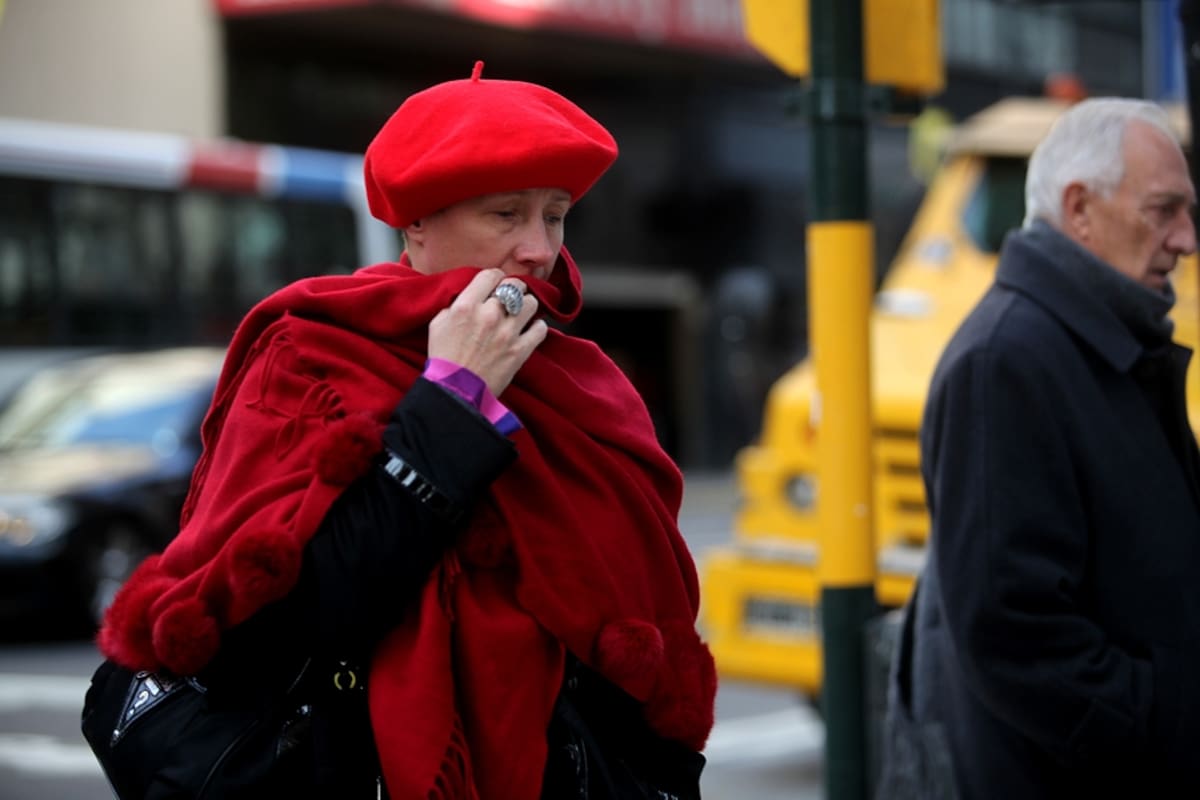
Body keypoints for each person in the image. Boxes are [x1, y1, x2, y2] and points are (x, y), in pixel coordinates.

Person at [95, 61, 716, 799]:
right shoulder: (309, 357)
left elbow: (648, 638)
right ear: (416, 221)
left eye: (554, 215)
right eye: (505, 214)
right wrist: (451, 401)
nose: (538, 248)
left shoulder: (587, 384)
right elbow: (285, 618)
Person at [893, 97, 1200, 798]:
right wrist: (1171, 720)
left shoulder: (1106, 344)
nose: (1186, 239)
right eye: (1164, 210)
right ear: (1080, 209)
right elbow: (1013, 635)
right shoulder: (1006, 360)